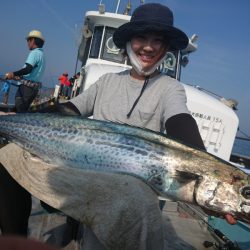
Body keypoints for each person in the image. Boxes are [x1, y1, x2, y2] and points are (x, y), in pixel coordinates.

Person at [0, 3, 236, 249]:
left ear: (165, 48)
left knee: (134, 203)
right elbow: (70, 109)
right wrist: (23, 118)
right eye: (141, 37)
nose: (148, 46)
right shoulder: (107, 81)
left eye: (158, 40)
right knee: (7, 157)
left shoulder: (169, 88)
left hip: (129, 180)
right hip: (81, 165)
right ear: (128, 42)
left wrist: (208, 173)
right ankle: (15, 241)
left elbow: (180, 121)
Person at [4, 30, 45, 112]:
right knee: (22, 110)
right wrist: (18, 77)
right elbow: (33, 73)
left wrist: (13, 74)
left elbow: (28, 69)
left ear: (33, 40)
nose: (27, 43)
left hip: (26, 89)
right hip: (33, 89)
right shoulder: (41, 55)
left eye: (28, 40)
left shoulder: (34, 53)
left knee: (20, 109)